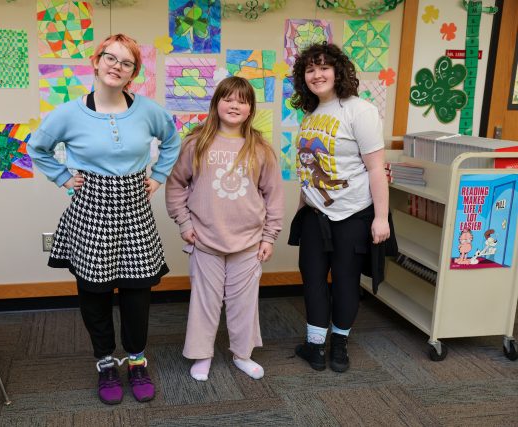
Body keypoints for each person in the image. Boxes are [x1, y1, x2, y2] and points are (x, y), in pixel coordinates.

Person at [27, 34, 181, 405]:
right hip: (91, 207)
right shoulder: (68, 112)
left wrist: (158, 176)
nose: (117, 67)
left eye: (127, 63)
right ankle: (106, 362)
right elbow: (38, 146)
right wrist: (64, 176)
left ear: (133, 73)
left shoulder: (147, 110)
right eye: (111, 58)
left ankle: (137, 360)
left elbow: (172, 140)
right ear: (96, 62)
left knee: (136, 291)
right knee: (94, 292)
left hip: (134, 208)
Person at [166, 76, 284, 381]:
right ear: (216, 103)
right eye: (228, 98)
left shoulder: (260, 148)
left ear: (250, 110)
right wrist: (184, 222)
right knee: (205, 301)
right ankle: (202, 354)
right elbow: (176, 184)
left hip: (248, 242)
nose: (234, 105)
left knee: (244, 303)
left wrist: (269, 237)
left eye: (242, 101)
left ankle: (242, 354)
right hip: (204, 239)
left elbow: (273, 195)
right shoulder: (196, 142)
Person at [288, 42, 390, 373]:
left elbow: (376, 168)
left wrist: (380, 218)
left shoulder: (360, 111)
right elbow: (309, 167)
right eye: (310, 69)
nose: (317, 74)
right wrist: (301, 209)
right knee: (313, 278)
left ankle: (340, 346)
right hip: (316, 215)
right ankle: (316, 346)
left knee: (345, 280)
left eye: (323, 67)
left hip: (353, 215)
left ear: (338, 71)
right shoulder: (311, 114)